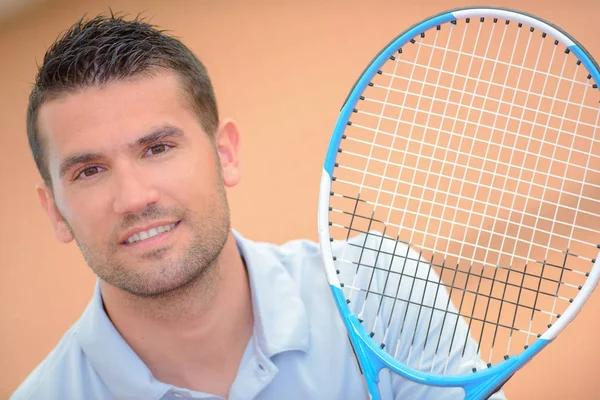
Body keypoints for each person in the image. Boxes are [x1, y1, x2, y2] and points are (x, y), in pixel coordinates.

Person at [12, 13, 506, 400]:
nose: (135, 197)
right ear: (55, 210)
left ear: (224, 155)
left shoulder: (379, 287)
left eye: (157, 148)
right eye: (90, 171)